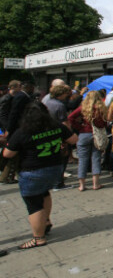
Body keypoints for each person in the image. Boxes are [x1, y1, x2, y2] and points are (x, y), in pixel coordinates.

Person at [3, 102, 78, 249]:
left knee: (33, 204)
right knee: (44, 193)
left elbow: (7, 153)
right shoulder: (57, 126)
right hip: (55, 169)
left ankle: (38, 238)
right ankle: (46, 221)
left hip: (33, 171)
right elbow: (73, 139)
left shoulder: (23, 132)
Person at [68, 91, 107, 191]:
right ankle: (96, 183)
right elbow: (104, 123)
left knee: (82, 160)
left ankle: (82, 185)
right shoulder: (101, 108)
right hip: (97, 135)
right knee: (96, 158)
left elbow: (70, 117)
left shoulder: (83, 108)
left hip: (84, 134)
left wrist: (79, 127)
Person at [44, 84, 74, 190]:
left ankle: (52, 181)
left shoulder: (47, 103)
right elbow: (64, 123)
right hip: (59, 135)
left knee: (53, 158)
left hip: (49, 134)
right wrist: (69, 135)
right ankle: (58, 183)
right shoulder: (59, 106)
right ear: (61, 94)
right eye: (65, 93)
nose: (67, 95)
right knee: (62, 158)